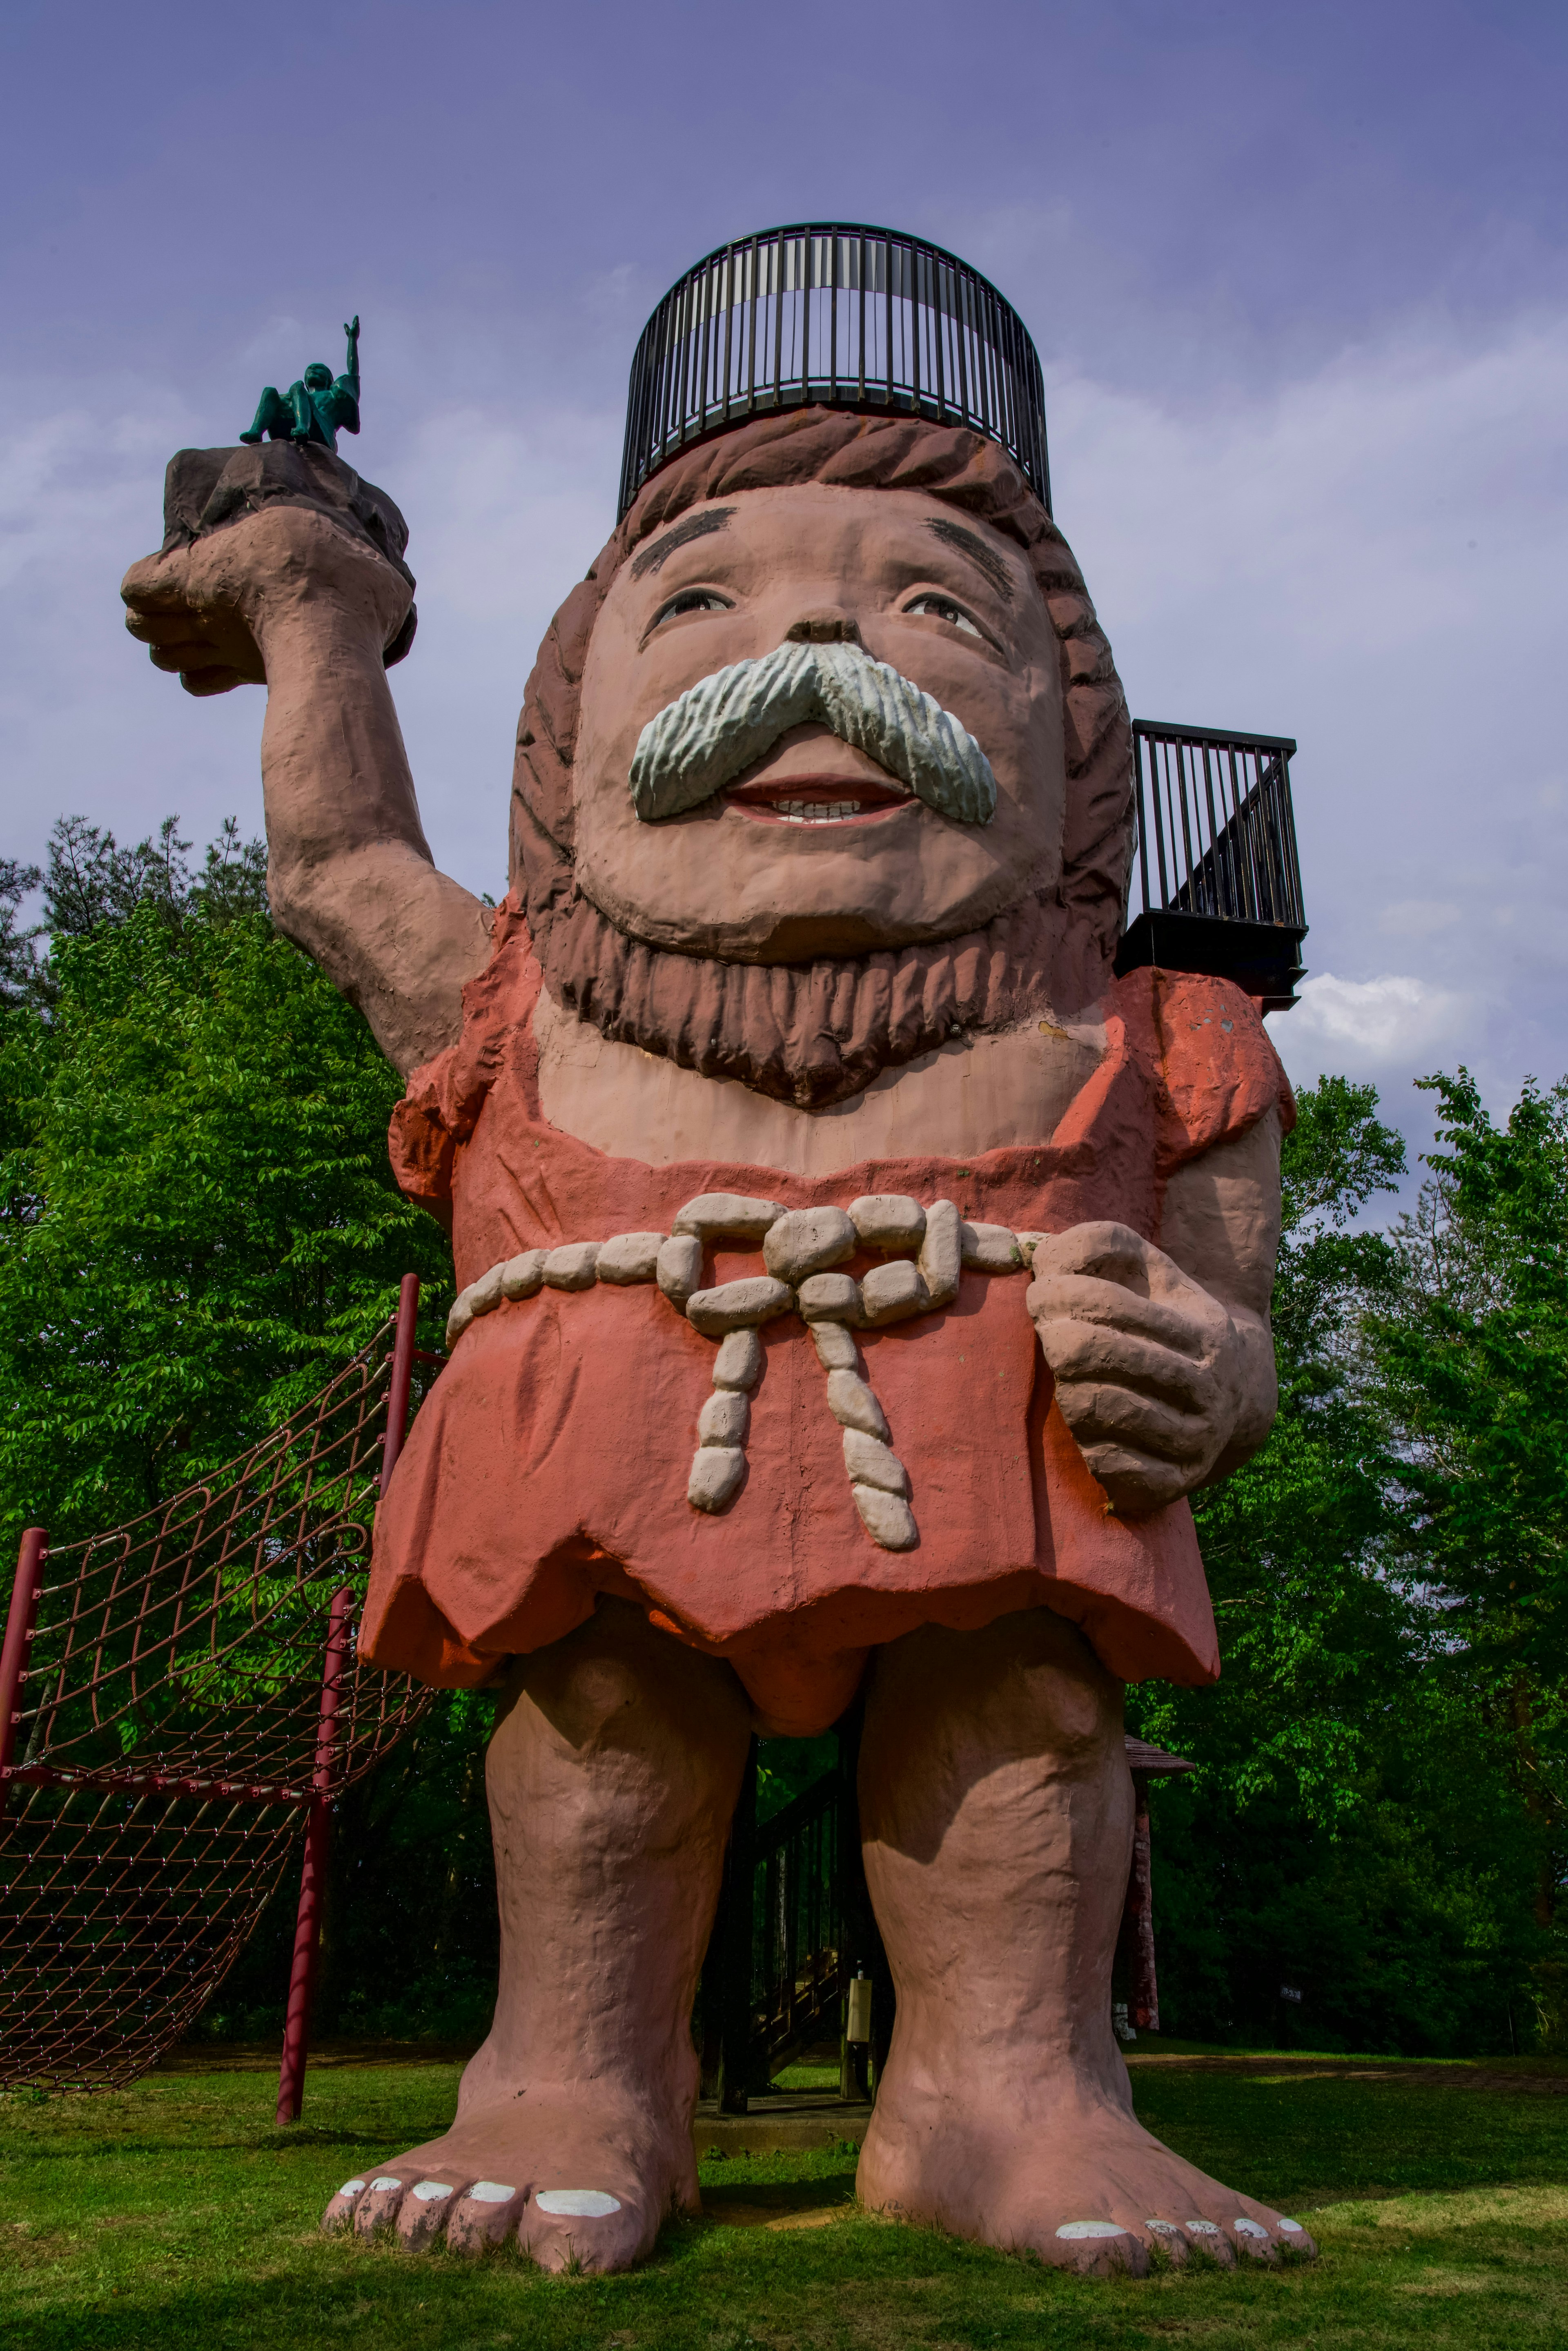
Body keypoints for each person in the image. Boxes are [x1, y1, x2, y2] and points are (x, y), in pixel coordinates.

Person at [121, 287, 1312, 2280]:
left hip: (991, 1495)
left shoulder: (1157, 1030)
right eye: (699, 607)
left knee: (1020, 1712)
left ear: (1068, 747)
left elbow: (1232, 1316)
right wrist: (315, 608)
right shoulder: (517, 999)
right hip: (614, 1498)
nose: (819, 647)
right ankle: (576, 2071)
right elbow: (335, 863)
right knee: (601, 1719)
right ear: (572, 744)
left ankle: (1006, 2089)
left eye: (940, 606)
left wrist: (1204, 1363)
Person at [239, 316, 360, 452]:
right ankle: (256, 432)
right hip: (289, 428)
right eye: (310, 369)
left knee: (297, 387)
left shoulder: (333, 395)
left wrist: (352, 340)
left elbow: (353, 375)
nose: (313, 370)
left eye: (318, 368)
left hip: (323, 431)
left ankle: (303, 427)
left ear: (329, 379)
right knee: (270, 392)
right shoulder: (300, 398)